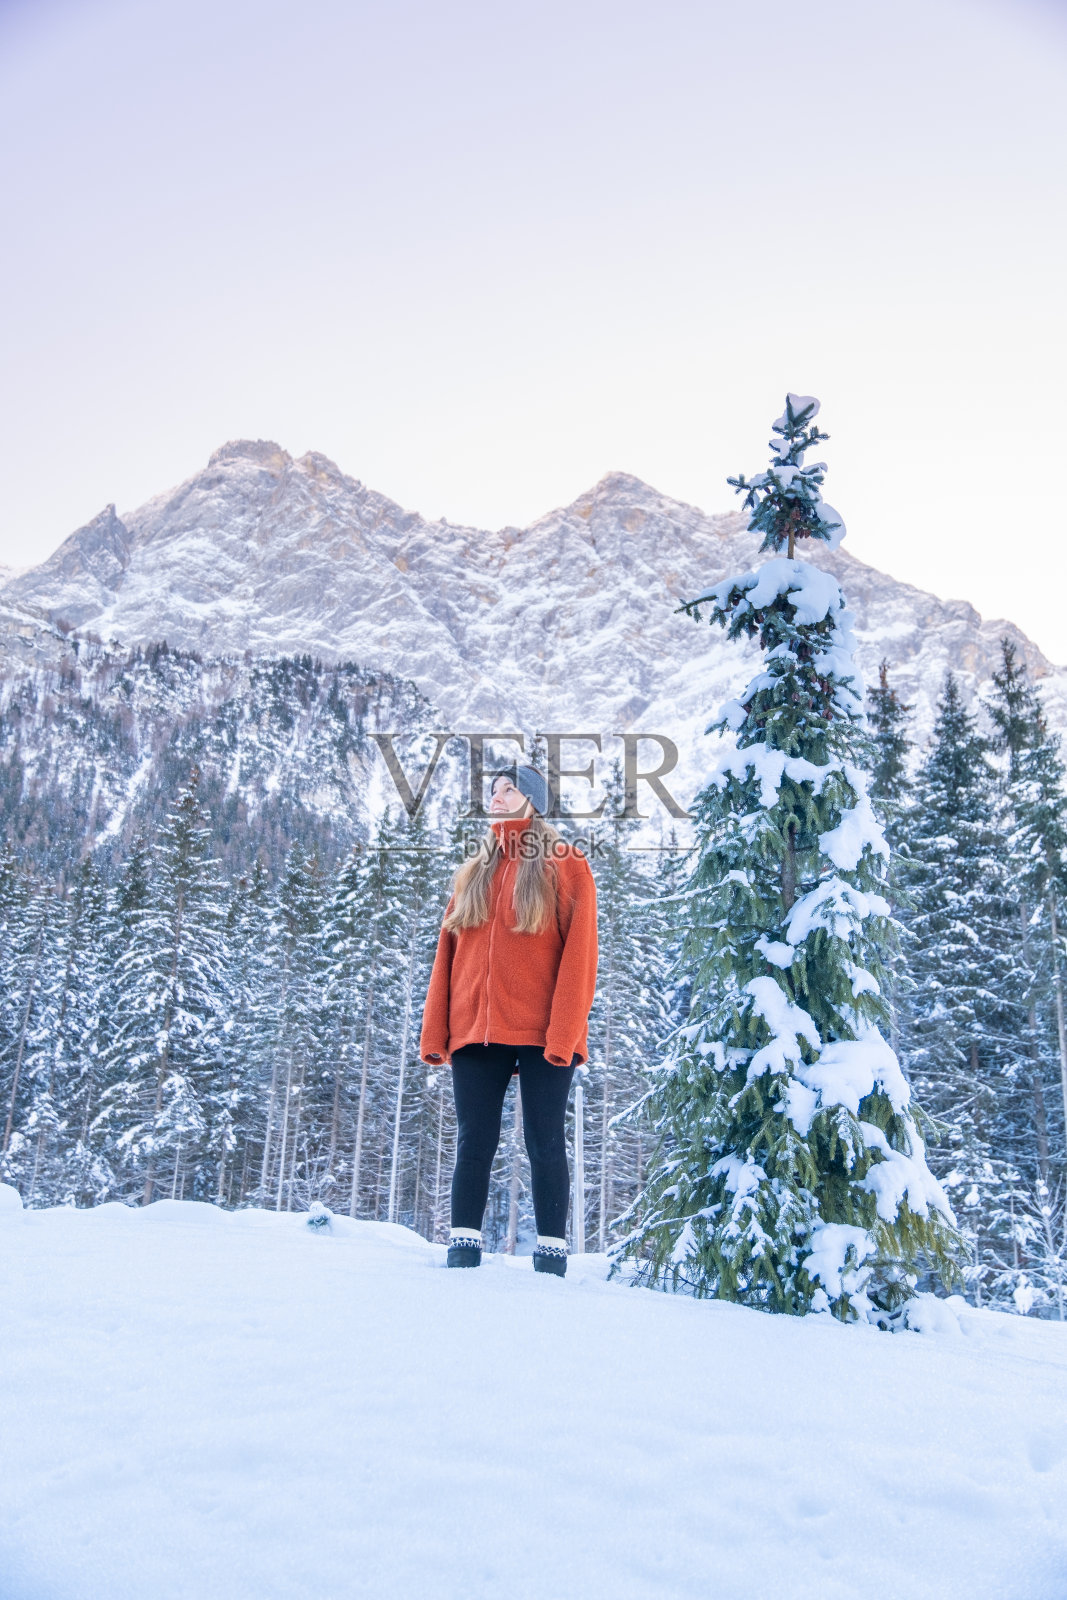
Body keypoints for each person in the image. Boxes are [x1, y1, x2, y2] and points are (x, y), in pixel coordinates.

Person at [419, 763, 599, 1276]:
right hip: (475, 1028)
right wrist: (438, 1030)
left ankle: (550, 1255)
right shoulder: (476, 868)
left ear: (534, 801)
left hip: (543, 1032)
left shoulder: (565, 864)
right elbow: (447, 953)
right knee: (474, 1135)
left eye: (508, 789)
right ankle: (463, 1248)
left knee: (544, 1139)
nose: (496, 797)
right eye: (493, 790)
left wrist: (564, 1033)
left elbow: (580, 956)